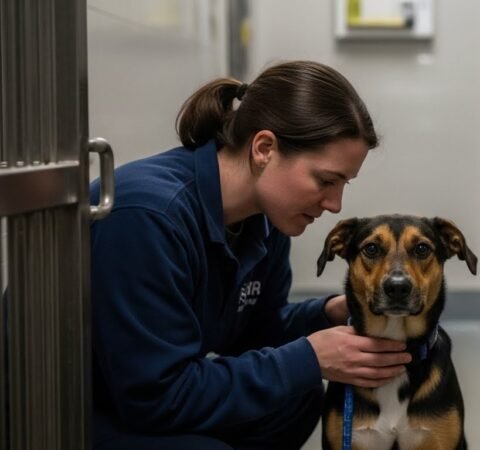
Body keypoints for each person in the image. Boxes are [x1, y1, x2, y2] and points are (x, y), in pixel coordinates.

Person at [90, 60, 412, 450]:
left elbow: (257, 334)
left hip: (142, 397)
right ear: (264, 149)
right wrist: (310, 359)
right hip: (74, 409)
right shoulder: (149, 216)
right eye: (326, 180)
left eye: (343, 184)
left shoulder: (264, 221)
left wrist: (327, 313)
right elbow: (155, 398)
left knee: (296, 398)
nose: (335, 204)